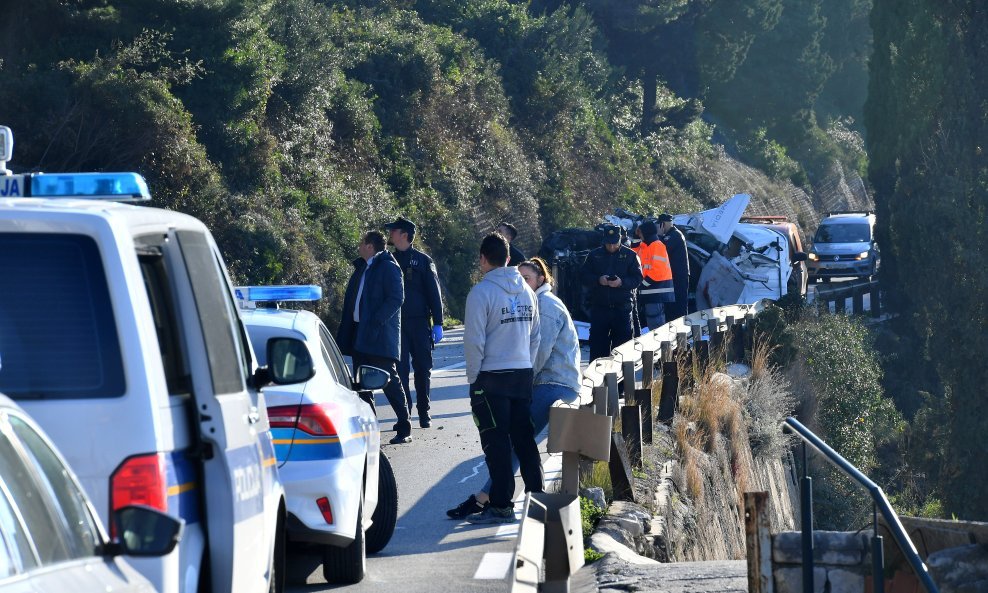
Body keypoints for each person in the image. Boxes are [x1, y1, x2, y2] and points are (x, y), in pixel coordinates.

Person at [446, 257, 581, 520]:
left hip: (553, 384)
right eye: (520, 279)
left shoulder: (546, 305)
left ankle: (491, 500)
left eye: (527, 279)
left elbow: (538, 355)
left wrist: (516, 385)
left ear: (541, 279)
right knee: (517, 441)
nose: (523, 283)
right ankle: (493, 498)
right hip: (547, 382)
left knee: (513, 442)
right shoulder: (534, 301)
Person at [459, 233, 543, 524]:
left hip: (491, 377)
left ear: (483, 259)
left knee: (496, 443)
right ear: (509, 259)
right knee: (524, 440)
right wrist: (526, 366)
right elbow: (535, 337)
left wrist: (474, 378)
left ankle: (502, 504)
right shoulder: (528, 293)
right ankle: (538, 499)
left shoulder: (481, 294)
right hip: (521, 374)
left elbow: (474, 342)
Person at [337, 230, 412, 444]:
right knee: (362, 382)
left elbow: (397, 297)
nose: (359, 247)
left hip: (378, 335)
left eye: (362, 243)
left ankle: (404, 425)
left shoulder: (388, 266)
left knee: (388, 380)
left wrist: (377, 321)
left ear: (370, 246)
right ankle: (369, 427)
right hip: (360, 333)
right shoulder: (363, 267)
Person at [384, 217, 445, 428]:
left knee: (422, 368)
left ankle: (424, 411)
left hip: (420, 323)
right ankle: (405, 414)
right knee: (399, 371)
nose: (390, 234)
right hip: (397, 325)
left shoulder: (423, 261)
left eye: (394, 230)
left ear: (404, 235)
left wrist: (438, 322)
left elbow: (433, 293)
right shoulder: (388, 260)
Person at [581, 224, 642, 361]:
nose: (612, 246)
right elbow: (583, 276)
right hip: (600, 309)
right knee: (598, 348)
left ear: (620, 239)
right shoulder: (594, 255)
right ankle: (598, 381)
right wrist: (598, 280)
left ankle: (622, 383)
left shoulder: (630, 256)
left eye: (614, 243)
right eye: (608, 243)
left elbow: (637, 278)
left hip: (622, 309)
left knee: (622, 350)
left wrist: (621, 283)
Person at [635, 219, 675, 331]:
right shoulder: (646, 246)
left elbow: (657, 272)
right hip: (651, 292)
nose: (640, 235)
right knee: (653, 324)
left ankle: (663, 347)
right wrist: (636, 237)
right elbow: (634, 253)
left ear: (646, 233)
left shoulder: (657, 246)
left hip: (656, 291)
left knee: (656, 325)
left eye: (641, 232)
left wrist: (640, 285)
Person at [658, 212, 690, 320]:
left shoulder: (675, 235)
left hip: (678, 277)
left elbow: (662, 249)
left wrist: (658, 235)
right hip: (674, 276)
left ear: (663, 224)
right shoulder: (671, 234)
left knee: (679, 306)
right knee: (672, 306)